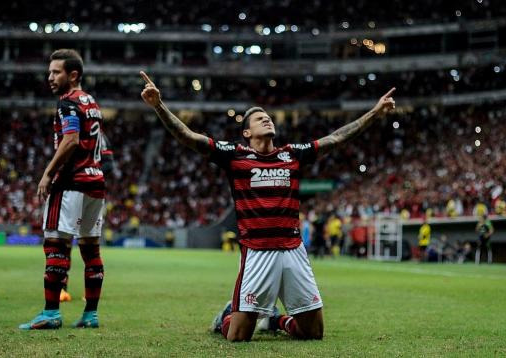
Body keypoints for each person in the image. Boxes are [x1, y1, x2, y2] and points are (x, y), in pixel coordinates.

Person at [140, 70, 396, 341]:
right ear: (247, 132)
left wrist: (373, 113)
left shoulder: (291, 154)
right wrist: (159, 106)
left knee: (313, 333)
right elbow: (189, 137)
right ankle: (227, 316)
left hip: (293, 251)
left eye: (268, 117)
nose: (267, 118)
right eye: (259, 118)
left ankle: (276, 320)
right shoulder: (234, 155)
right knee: (237, 336)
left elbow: (336, 138)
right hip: (258, 254)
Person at [20, 49, 106, 330]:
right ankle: (91, 315)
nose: (50, 77)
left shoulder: (68, 103)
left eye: (56, 72)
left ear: (73, 75)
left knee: (55, 245)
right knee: (90, 249)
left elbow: (70, 140)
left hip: (71, 183)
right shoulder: (91, 102)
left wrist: (48, 173)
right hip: (95, 182)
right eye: (49, 72)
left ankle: (50, 313)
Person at [60, 133, 114, 303]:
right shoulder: (75, 129)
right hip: (79, 188)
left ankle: (88, 295)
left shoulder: (97, 135)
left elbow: (109, 164)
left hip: (85, 188)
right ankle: (62, 288)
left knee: (86, 244)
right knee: (68, 241)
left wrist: (90, 173)